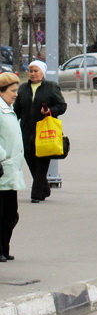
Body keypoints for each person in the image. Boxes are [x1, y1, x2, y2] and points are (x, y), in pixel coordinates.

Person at [14, 61, 66, 203]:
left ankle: (36, 194)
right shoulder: (23, 88)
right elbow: (17, 110)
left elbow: (62, 106)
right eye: (30, 71)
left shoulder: (51, 87)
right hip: (26, 132)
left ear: (42, 72)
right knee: (31, 162)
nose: (33, 73)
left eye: (36, 71)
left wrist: (50, 111)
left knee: (42, 164)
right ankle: (45, 189)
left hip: (44, 132)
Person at [0, 73, 25, 260]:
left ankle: (4, 248)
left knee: (11, 214)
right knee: (2, 213)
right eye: (12, 91)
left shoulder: (8, 108)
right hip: (2, 167)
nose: (15, 94)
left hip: (11, 169)